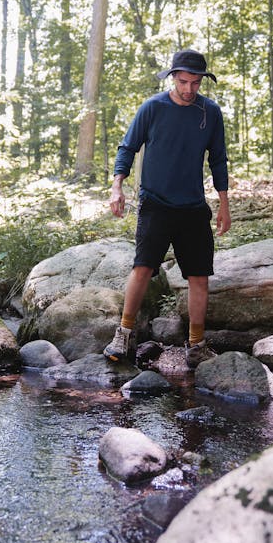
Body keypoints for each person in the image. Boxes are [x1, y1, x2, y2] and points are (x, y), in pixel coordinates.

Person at [103, 49, 231, 368]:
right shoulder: (153, 108)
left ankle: (196, 345)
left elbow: (218, 159)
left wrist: (224, 205)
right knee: (143, 268)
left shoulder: (210, 112)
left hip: (192, 208)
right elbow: (127, 147)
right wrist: (117, 186)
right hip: (155, 205)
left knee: (199, 277)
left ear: (202, 80)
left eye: (196, 83)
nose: (189, 89)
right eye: (184, 81)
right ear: (173, 77)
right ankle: (124, 333)